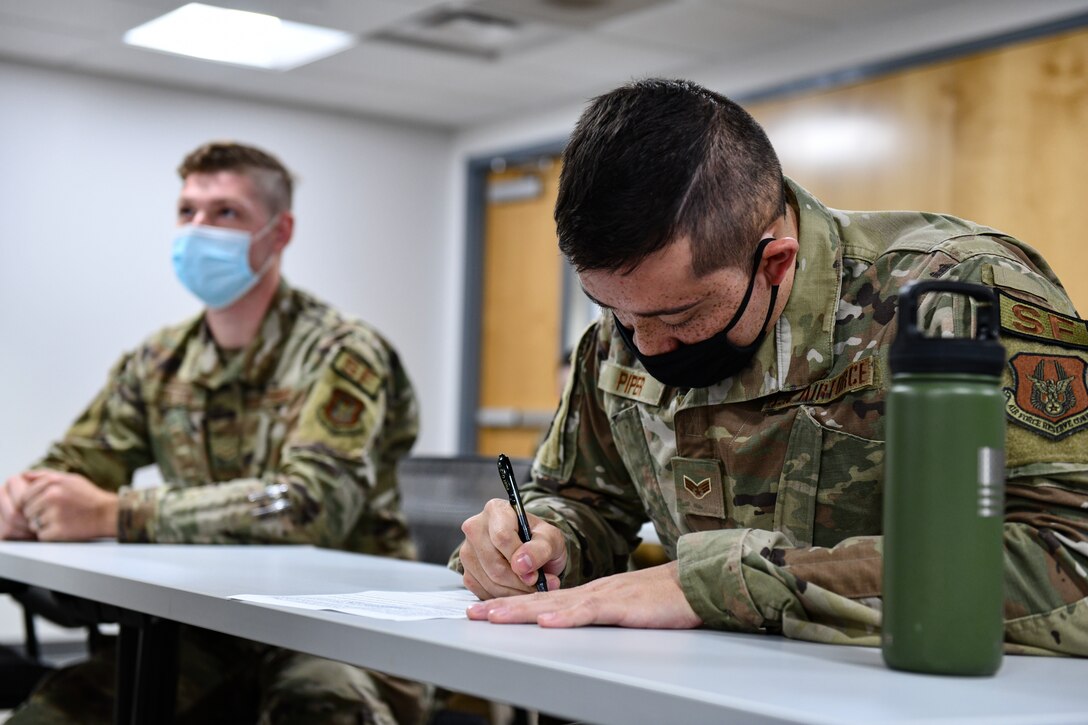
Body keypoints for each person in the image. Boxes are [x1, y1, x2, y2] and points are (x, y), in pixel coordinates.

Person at [455, 79, 1088, 655]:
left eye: (679, 317)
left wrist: (722, 584)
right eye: (614, 310)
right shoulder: (633, 317)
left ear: (775, 263)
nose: (644, 343)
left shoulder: (959, 296)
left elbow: (1066, 560)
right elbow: (583, 498)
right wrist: (541, 542)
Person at [0, 141, 430, 722]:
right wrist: (27, 500)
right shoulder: (160, 360)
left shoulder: (342, 352)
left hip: (340, 628)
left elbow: (309, 507)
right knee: (56, 715)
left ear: (279, 233)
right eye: (187, 211)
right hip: (207, 623)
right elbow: (74, 465)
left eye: (226, 212)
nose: (199, 229)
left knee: (317, 707)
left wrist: (112, 514)